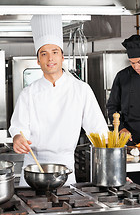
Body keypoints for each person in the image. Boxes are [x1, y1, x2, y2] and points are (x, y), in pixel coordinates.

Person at [9, 14, 109, 186]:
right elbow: (19, 129)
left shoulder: (81, 90)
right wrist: (17, 137)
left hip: (64, 171)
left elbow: (99, 134)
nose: (50, 58)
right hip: (34, 168)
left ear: (62, 57)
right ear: (38, 60)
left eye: (55, 52)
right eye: (44, 54)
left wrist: (115, 170)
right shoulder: (28, 93)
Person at [107, 34, 140, 147]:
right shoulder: (122, 76)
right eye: (132, 62)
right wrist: (121, 128)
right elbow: (111, 107)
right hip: (128, 138)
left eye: (139, 62)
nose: (136, 67)